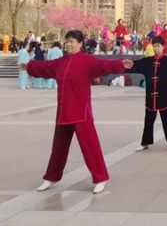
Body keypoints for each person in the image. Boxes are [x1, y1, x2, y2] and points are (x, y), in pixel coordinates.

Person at [21, 30, 126, 194]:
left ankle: (100, 178)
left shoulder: (87, 61)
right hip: (64, 111)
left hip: (81, 112)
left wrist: (120, 64)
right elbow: (45, 67)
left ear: (80, 44)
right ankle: (51, 177)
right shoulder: (60, 62)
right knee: (58, 147)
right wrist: (29, 66)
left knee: (90, 146)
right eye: (67, 41)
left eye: (72, 41)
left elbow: (104, 65)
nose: (68, 44)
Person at [125, 36, 167, 152]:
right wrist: (121, 65)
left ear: (163, 47)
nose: (156, 48)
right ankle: (145, 143)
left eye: (158, 46)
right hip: (150, 98)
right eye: (154, 46)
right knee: (148, 121)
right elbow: (133, 65)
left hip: (164, 98)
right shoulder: (147, 62)